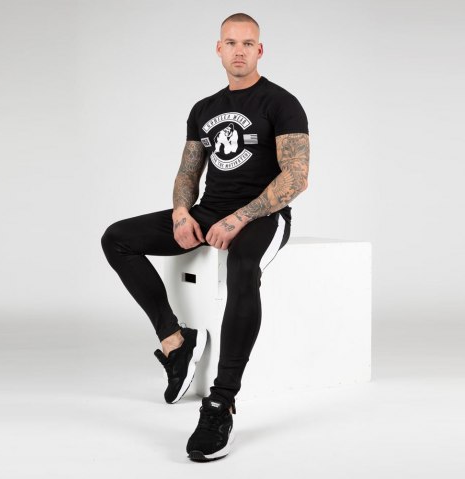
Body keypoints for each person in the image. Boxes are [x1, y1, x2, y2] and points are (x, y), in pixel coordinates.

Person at [101, 12, 310, 462]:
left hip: (263, 216)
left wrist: (239, 219)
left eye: (248, 43)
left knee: (242, 269)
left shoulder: (282, 103)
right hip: (208, 212)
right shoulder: (204, 109)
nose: (239, 51)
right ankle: (175, 342)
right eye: (230, 43)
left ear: (260, 50)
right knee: (117, 238)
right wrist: (181, 212)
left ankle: (221, 403)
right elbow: (187, 173)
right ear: (219, 49)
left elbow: (296, 176)